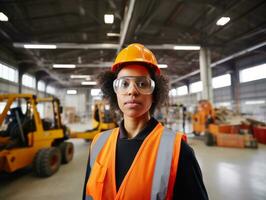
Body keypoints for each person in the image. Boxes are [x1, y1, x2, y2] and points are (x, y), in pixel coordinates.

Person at [83, 43, 208, 200]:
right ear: (115, 93)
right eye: (124, 84)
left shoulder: (177, 150)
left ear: (154, 93)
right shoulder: (98, 144)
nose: (132, 91)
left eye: (142, 84)